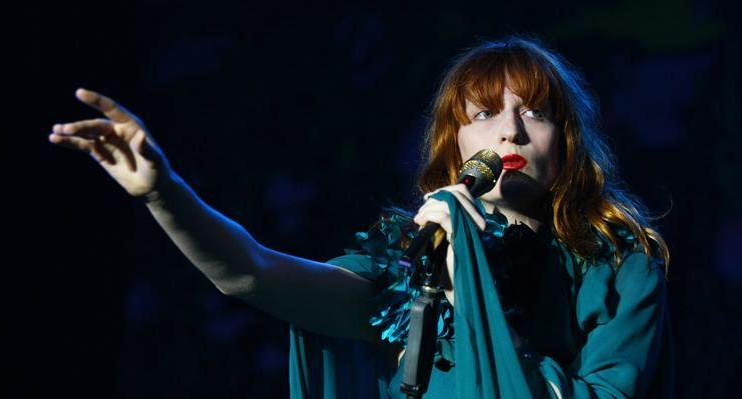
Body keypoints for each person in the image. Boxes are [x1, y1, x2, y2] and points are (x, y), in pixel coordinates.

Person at [49, 36, 674, 398]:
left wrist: (472, 288)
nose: (509, 130)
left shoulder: (618, 260)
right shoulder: (414, 252)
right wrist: (165, 193)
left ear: (566, 139)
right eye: (483, 114)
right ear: (452, 145)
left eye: (534, 112)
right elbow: (252, 274)